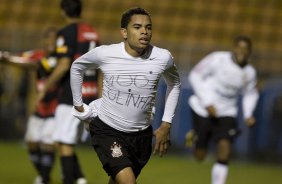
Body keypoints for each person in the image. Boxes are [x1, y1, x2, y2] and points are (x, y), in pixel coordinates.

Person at [70, 7, 181, 184]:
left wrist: (166, 123)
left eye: (148, 27)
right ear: (124, 32)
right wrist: (78, 104)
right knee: (128, 181)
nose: (144, 31)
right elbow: (77, 67)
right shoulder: (106, 53)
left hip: (141, 136)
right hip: (107, 129)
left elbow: (174, 83)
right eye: (137, 27)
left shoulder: (163, 57)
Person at [37, 0, 101, 183]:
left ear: (63, 10)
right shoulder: (93, 33)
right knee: (66, 141)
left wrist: (45, 88)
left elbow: (64, 65)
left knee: (64, 143)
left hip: (72, 96)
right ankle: (80, 178)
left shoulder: (66, 32)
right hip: (90, 93)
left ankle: (70, 180)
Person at [185, 36, 259, 184]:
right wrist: (207, 103)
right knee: (200, 156)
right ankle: (196, 139)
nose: (242, 52)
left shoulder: (250, 73)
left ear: (250, 52)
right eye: (240, 47)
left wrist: (249, 114)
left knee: (225, 148)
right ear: (234, 48)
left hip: (227, 112)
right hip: (203, 109)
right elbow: (195, 75)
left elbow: (250, 94)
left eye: (246, 49)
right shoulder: (217, 59)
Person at [0, 27, 58, 184]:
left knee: (48, 145)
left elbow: (34, 65)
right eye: (48, 39)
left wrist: (8, 59)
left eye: (53, 40)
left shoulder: (60, 58)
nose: (50, 43)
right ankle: (44, 176)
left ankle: (44, 178)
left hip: (55, 108)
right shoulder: (38, 53)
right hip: (39, 108)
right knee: (32, 144)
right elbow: (22, 57)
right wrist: (6, 57)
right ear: (44, 41)